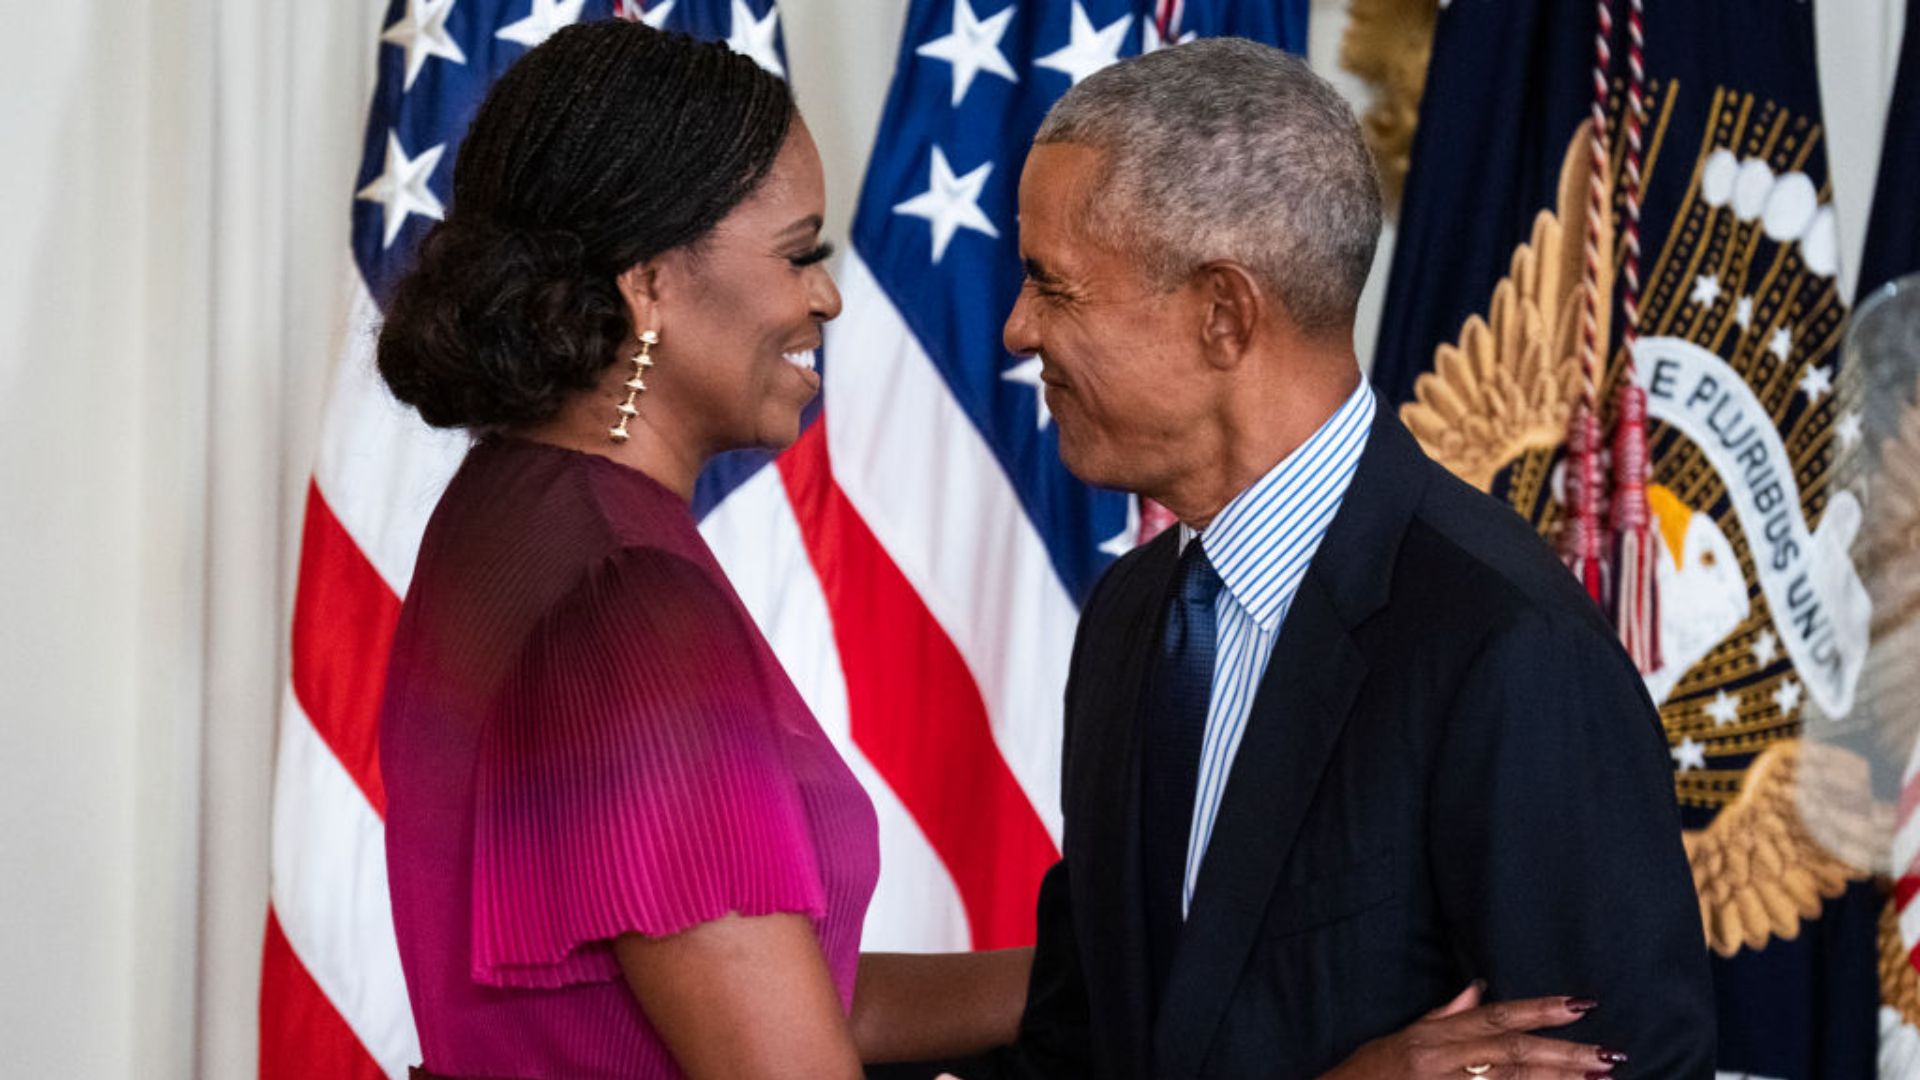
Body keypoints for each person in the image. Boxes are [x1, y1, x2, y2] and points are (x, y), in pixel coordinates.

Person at [375, 18, 1631, 1080]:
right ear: (650, 284)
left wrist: (1191, 985)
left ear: (1224, 311)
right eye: (801, 252)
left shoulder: (511, 517)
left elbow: (791, 993)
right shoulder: (623, 602)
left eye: (1057, 288)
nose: (830, 297)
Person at [992, 38, 1717, 1080]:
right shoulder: (1130, 616)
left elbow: (1625, 1067)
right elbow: (1085, 1046)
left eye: (1053, 288)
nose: (1019, 330)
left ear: (1223, 314)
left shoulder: (1506, 645)